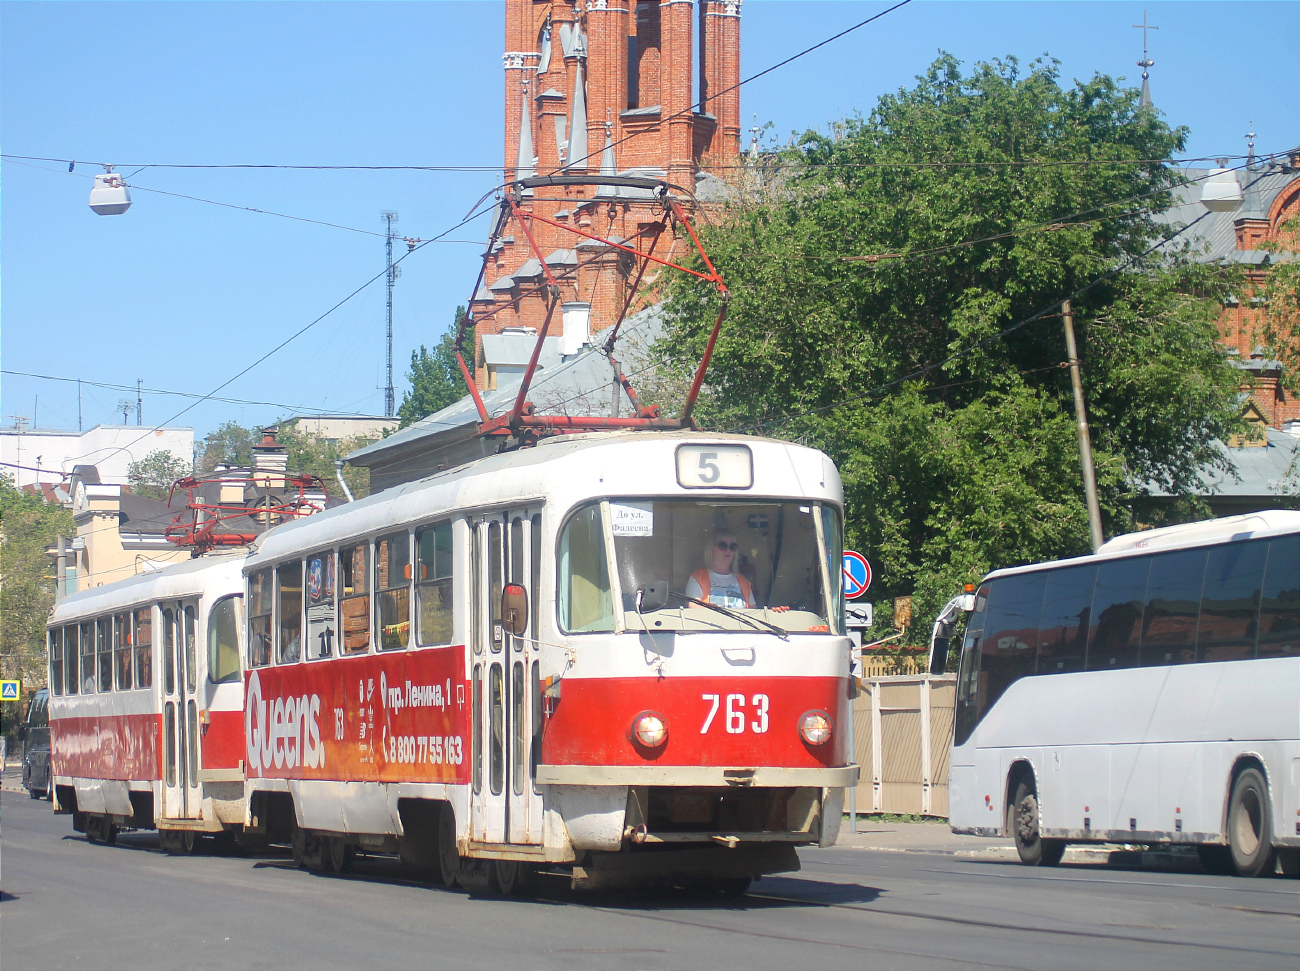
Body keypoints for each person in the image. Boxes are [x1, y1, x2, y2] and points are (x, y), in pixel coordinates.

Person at [686, 529, 756, 609]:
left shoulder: (743, 581)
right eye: (723, 545)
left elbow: (753, 610)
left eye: (732, 547)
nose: (728, 550)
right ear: (711, 549)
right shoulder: (698, 578)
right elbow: (694, 608)